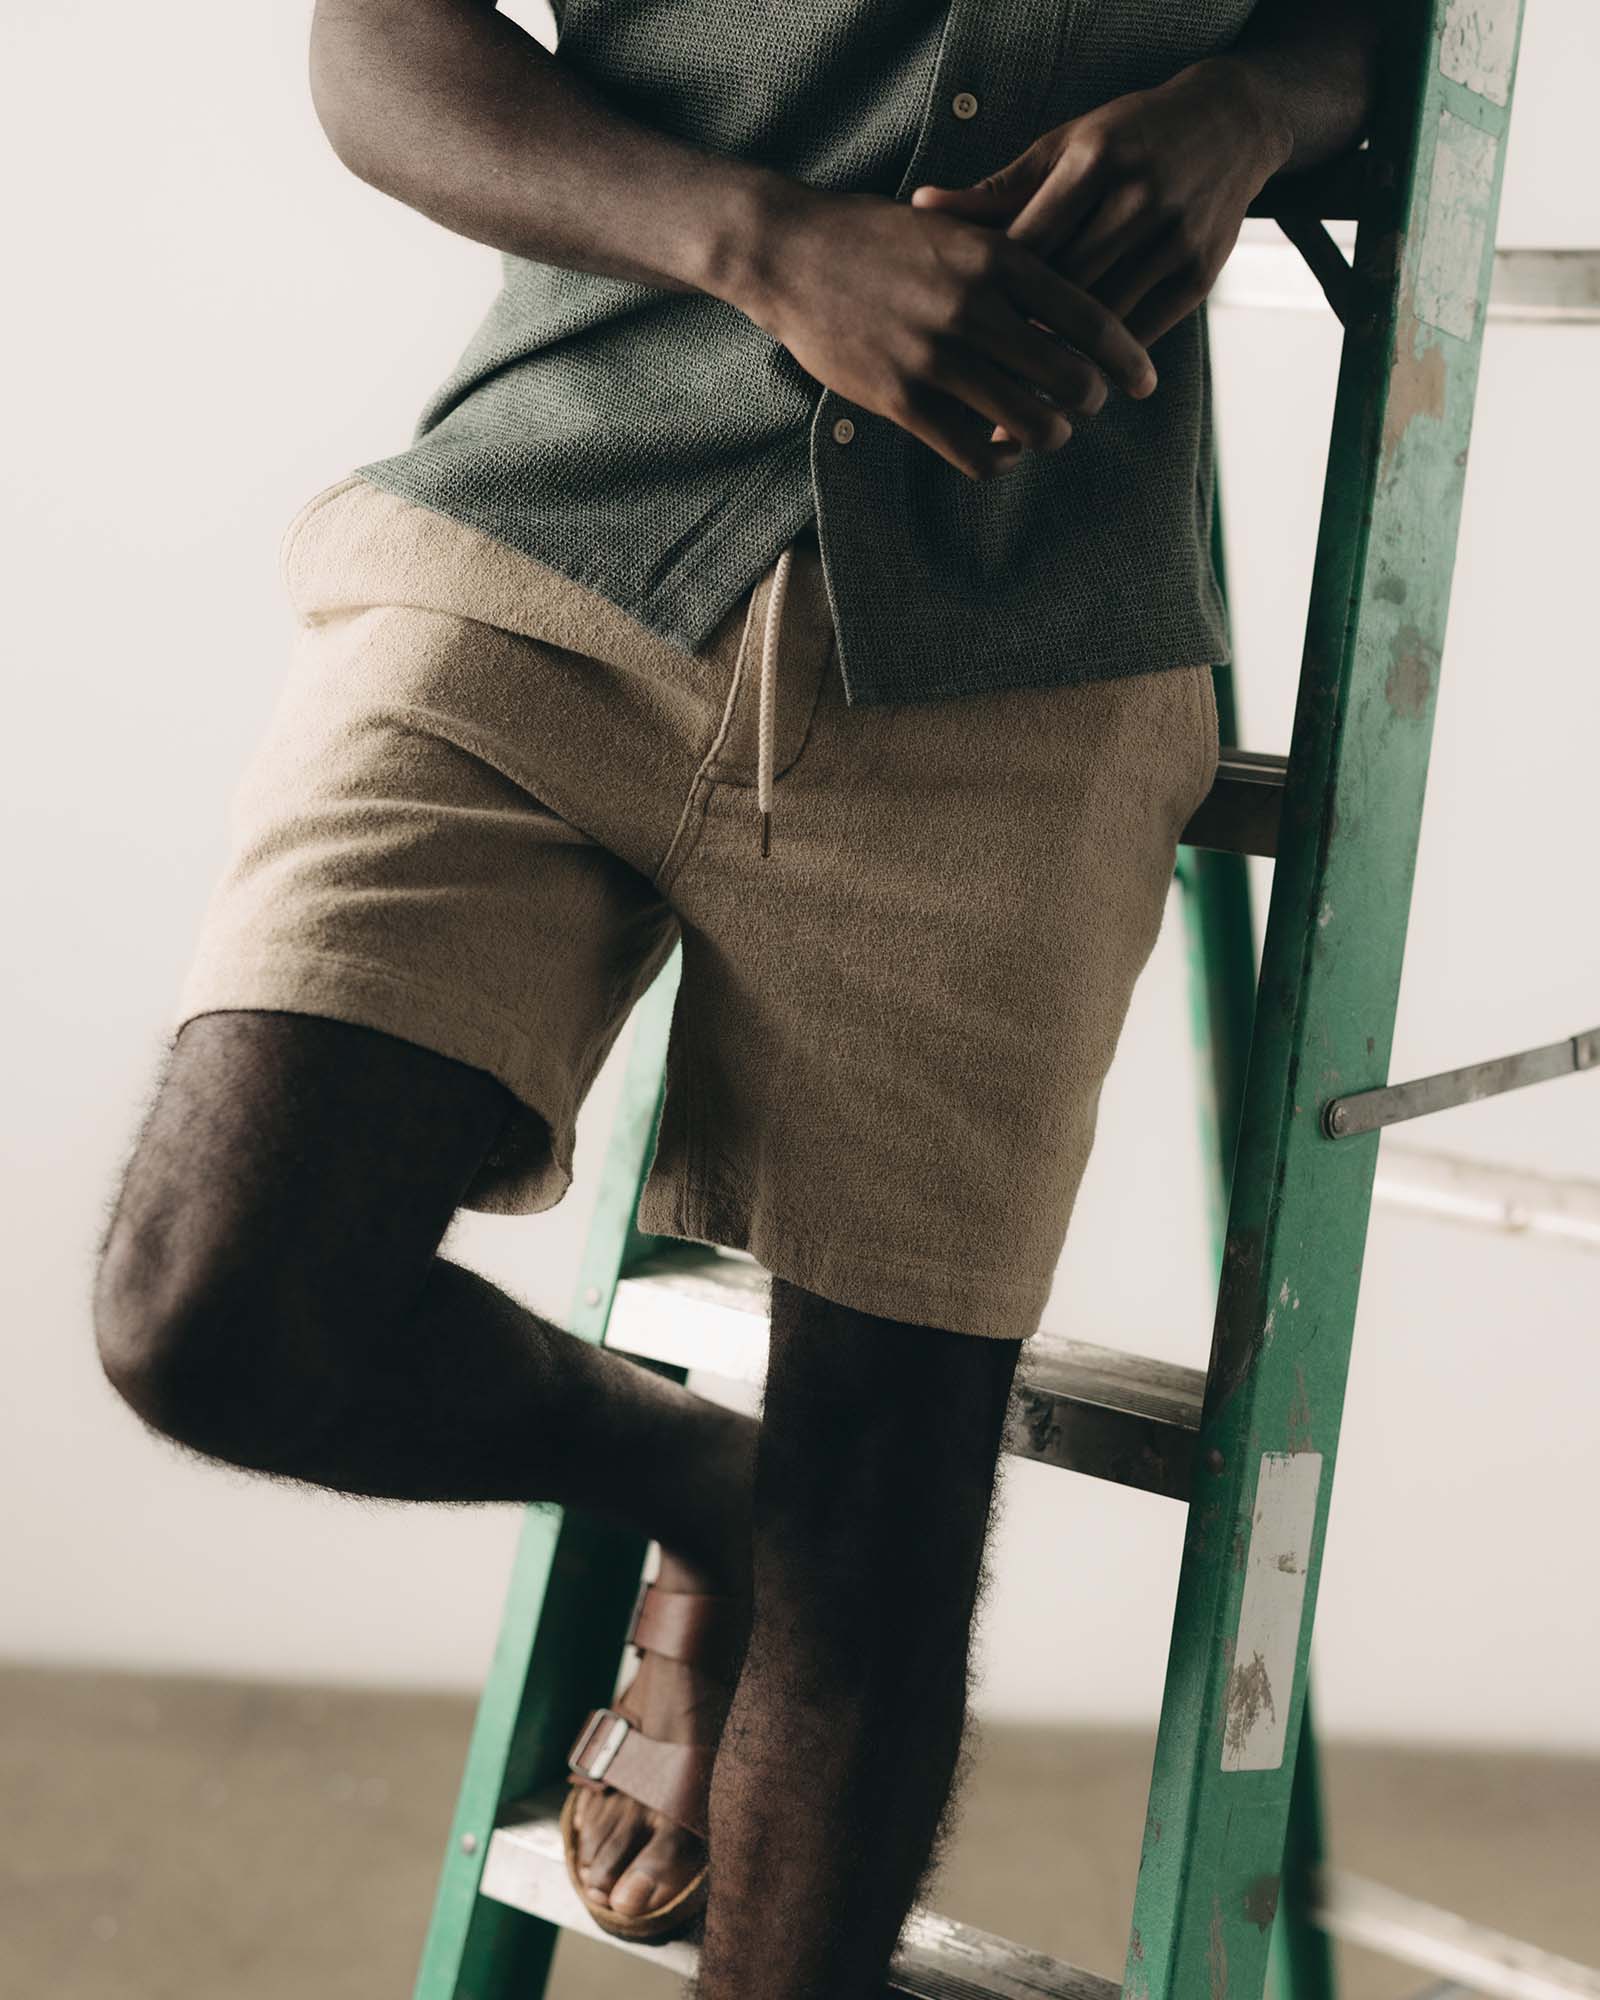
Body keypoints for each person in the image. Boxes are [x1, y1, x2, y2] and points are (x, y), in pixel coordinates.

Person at [92, 0, 1379, 1991]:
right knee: (214, 1308)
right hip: (550, 538)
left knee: (880, 1512)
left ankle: (783, 1535)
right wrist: (766, 244)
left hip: (1023, 645)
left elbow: (1383, 25)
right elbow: (375, 41)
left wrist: (1247, 107)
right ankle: (704, 1484)